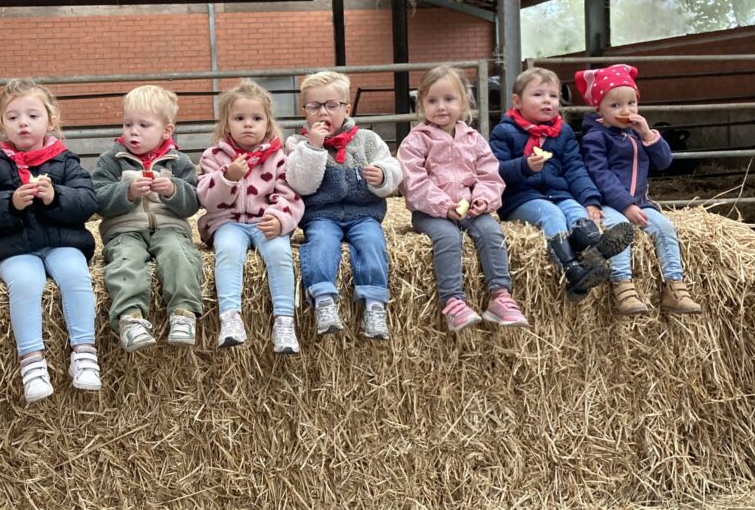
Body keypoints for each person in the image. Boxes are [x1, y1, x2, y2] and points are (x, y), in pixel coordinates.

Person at [0, 79, 100, 403]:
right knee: (25, 283)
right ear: (2, 125)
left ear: (50, 121)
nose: (22, 122)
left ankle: (84, 354)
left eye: (32, 115)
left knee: (75, 275)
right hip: (15, 246)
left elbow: (88, 202)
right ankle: (32, 363)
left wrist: (56, 196)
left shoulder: (66, 160)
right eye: (13, 117)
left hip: (62, 242)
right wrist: (10, 203)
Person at [397, 65, 529, 332]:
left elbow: (489, 174)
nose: (441, 107)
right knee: (448, 237)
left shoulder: (474, 138)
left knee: (492, 232)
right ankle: (453, 302)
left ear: (464, 102)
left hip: (469, 206)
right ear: (421, 103)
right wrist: (444, 207)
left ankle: (500, 296)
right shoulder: (416, 141)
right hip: (431, 212)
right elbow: (413, 181)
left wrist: (483, 199)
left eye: (449, 99)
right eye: (432, 100)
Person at [489, 67, 633, 302]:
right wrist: (523, 166)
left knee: (576, 212)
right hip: (521, 197)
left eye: (553, 96)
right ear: (517, 101)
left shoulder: (562, 132)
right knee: (552, 215)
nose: (547, 100)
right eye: (538, 95)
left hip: (558, 192)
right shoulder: (504, 131)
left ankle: (595, 247)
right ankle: (571, 269)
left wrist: (590, 200)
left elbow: (575, 168)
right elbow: (494, 170)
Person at [285, 71, 402, 340]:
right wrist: (314, 148)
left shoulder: (368, 140)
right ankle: (324, 299)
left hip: (363, 214)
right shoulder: (298, 144)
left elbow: (394, 168)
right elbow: (301, 184)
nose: (323, 112)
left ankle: (374, 305)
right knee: (321, 243)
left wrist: (383, 176)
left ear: (347, 109)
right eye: (314, 107)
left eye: (332, 105)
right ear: (305, 112)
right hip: (322, 215)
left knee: (372, 243)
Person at [577, 64, 701, 315]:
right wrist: (625, 205)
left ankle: (674, 287)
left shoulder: (637, 134)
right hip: (610, 204)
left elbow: (664, 162)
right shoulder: (595, 138)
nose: (626, 110)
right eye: (615, 105)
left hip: (641, 202)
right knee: (619, 230)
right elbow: (600, 174)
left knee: (665, 227)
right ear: (598, 108)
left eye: (631, 103)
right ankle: (623, 287)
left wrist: (648, 135)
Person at [91, 85, 203, 350]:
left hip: (169, 227)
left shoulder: (178, 161)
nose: (133, 131)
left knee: (180, 255)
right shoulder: (111, 160)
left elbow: (193, 203)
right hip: (124, 230)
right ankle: (130, 318)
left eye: (143, 124)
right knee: (126, 261)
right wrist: (126, 192)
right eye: (128, 123)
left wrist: (174, 190)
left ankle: (183, 313)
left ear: (167, 130)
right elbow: (97, 200)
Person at [197, 79, 304, 354]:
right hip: (228, 222)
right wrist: (227, 178)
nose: (248, 124)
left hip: (264, 222)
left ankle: (284, 321)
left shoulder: (278, 157)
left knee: (280, 254)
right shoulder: (214, 157)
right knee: (228, 252)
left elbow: (289, 194)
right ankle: (230, 318)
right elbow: (205, 198)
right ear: (226, 124)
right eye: (239, 118)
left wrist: (280, 219)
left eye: (256, 118)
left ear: (267, 124)